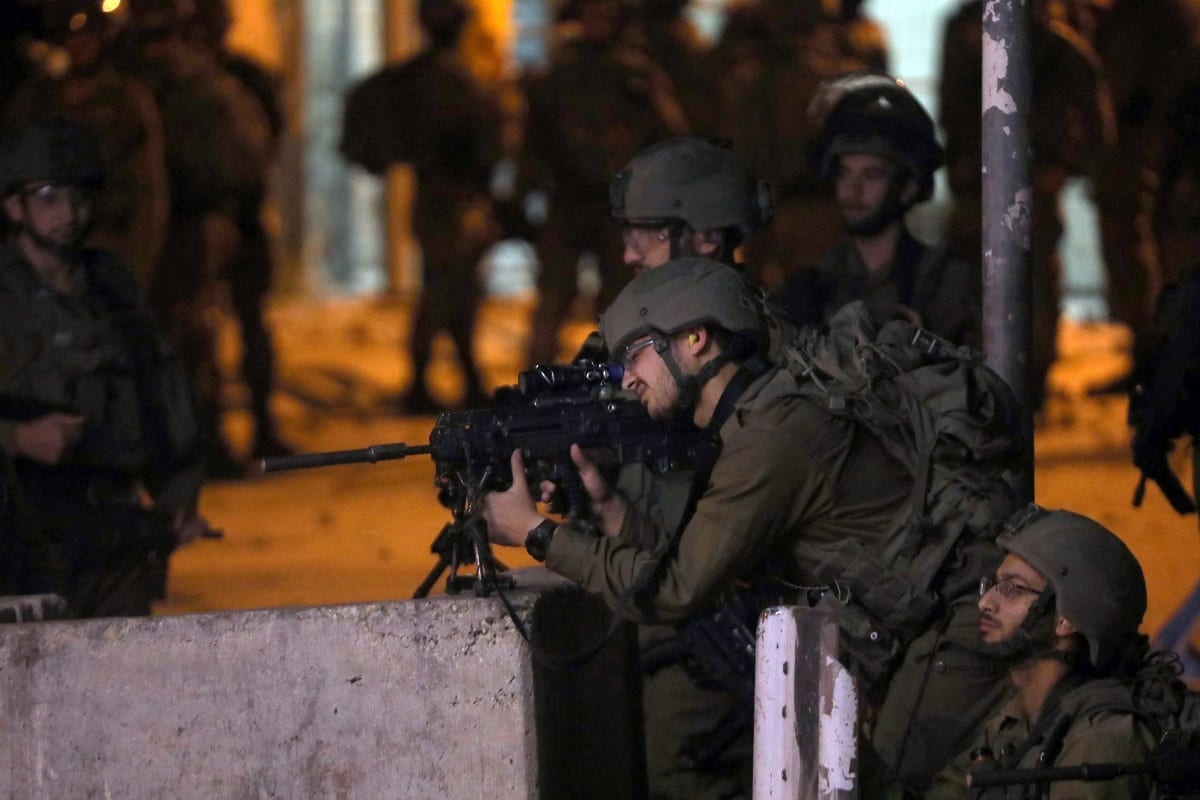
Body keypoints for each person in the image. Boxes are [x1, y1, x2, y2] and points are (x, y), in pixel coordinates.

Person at [482, 258, 1009, 798]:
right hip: (921, 623)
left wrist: (536, 534)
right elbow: (704, 561)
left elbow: (673, 590)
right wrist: (610, 511)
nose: (627, 377)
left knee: (879, 785)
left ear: (695, 339)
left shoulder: (769, 441)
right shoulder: (751, 423)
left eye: (636, 354)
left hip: (963, 618)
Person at [0, 117, 215, 617]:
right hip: (18, 544)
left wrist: (178, 500)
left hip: (111, 538)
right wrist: (16, 438)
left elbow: (163, 394)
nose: (69, 213)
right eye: (49, 195)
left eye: (80, 195)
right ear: (14, 205)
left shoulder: (110, 285)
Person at [119, 0, 273, 475]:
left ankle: (197, 444)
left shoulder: (141, 75)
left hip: (181, 225)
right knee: (191, 337)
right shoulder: (187, 76)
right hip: (187, 224)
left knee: (186, 336)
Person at [928, 505, 1161, 799]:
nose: (986, 602)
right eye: (994, 585)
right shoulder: (1013, 722)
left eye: (1012, 588)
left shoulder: (1101, 740)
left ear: (1067, 618)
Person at [340, 0, 504, 413]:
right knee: (448, 291)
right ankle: (437, 381)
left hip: (434, 196)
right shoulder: (453, 80)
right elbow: (482, 143)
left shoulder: (419, 76)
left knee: (449, 288)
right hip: (451, 201)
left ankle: (453, 379)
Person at [521, 0, 688, 365]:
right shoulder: (561, 73)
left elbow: (669, 136)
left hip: (616, 207)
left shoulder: (635, 74)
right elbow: (534, 143)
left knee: (617, 301)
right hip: (571, 200)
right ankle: (539, 384)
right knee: (555, 297)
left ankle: (616, 382)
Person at [776, 71, 982, 349]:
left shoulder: (948, 285)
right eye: (844, 173)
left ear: (908, 187)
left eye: (872, 175)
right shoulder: (809, 290)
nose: (853, 190)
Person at [185, 0, 294, 456]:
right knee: (211, 331)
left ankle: (249, 430)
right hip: (214, 219)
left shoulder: (231, 79)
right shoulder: (208, 80)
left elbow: (268, 141)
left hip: (230, 218)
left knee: (239, 329)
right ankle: (224, 434)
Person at [5, 0, 170, 287]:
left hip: (107, 247)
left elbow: (147, 193)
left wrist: (133, 270)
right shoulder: (38, 99)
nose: (80, 45)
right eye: (72, 37)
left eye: (87, 35)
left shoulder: (125, 101)